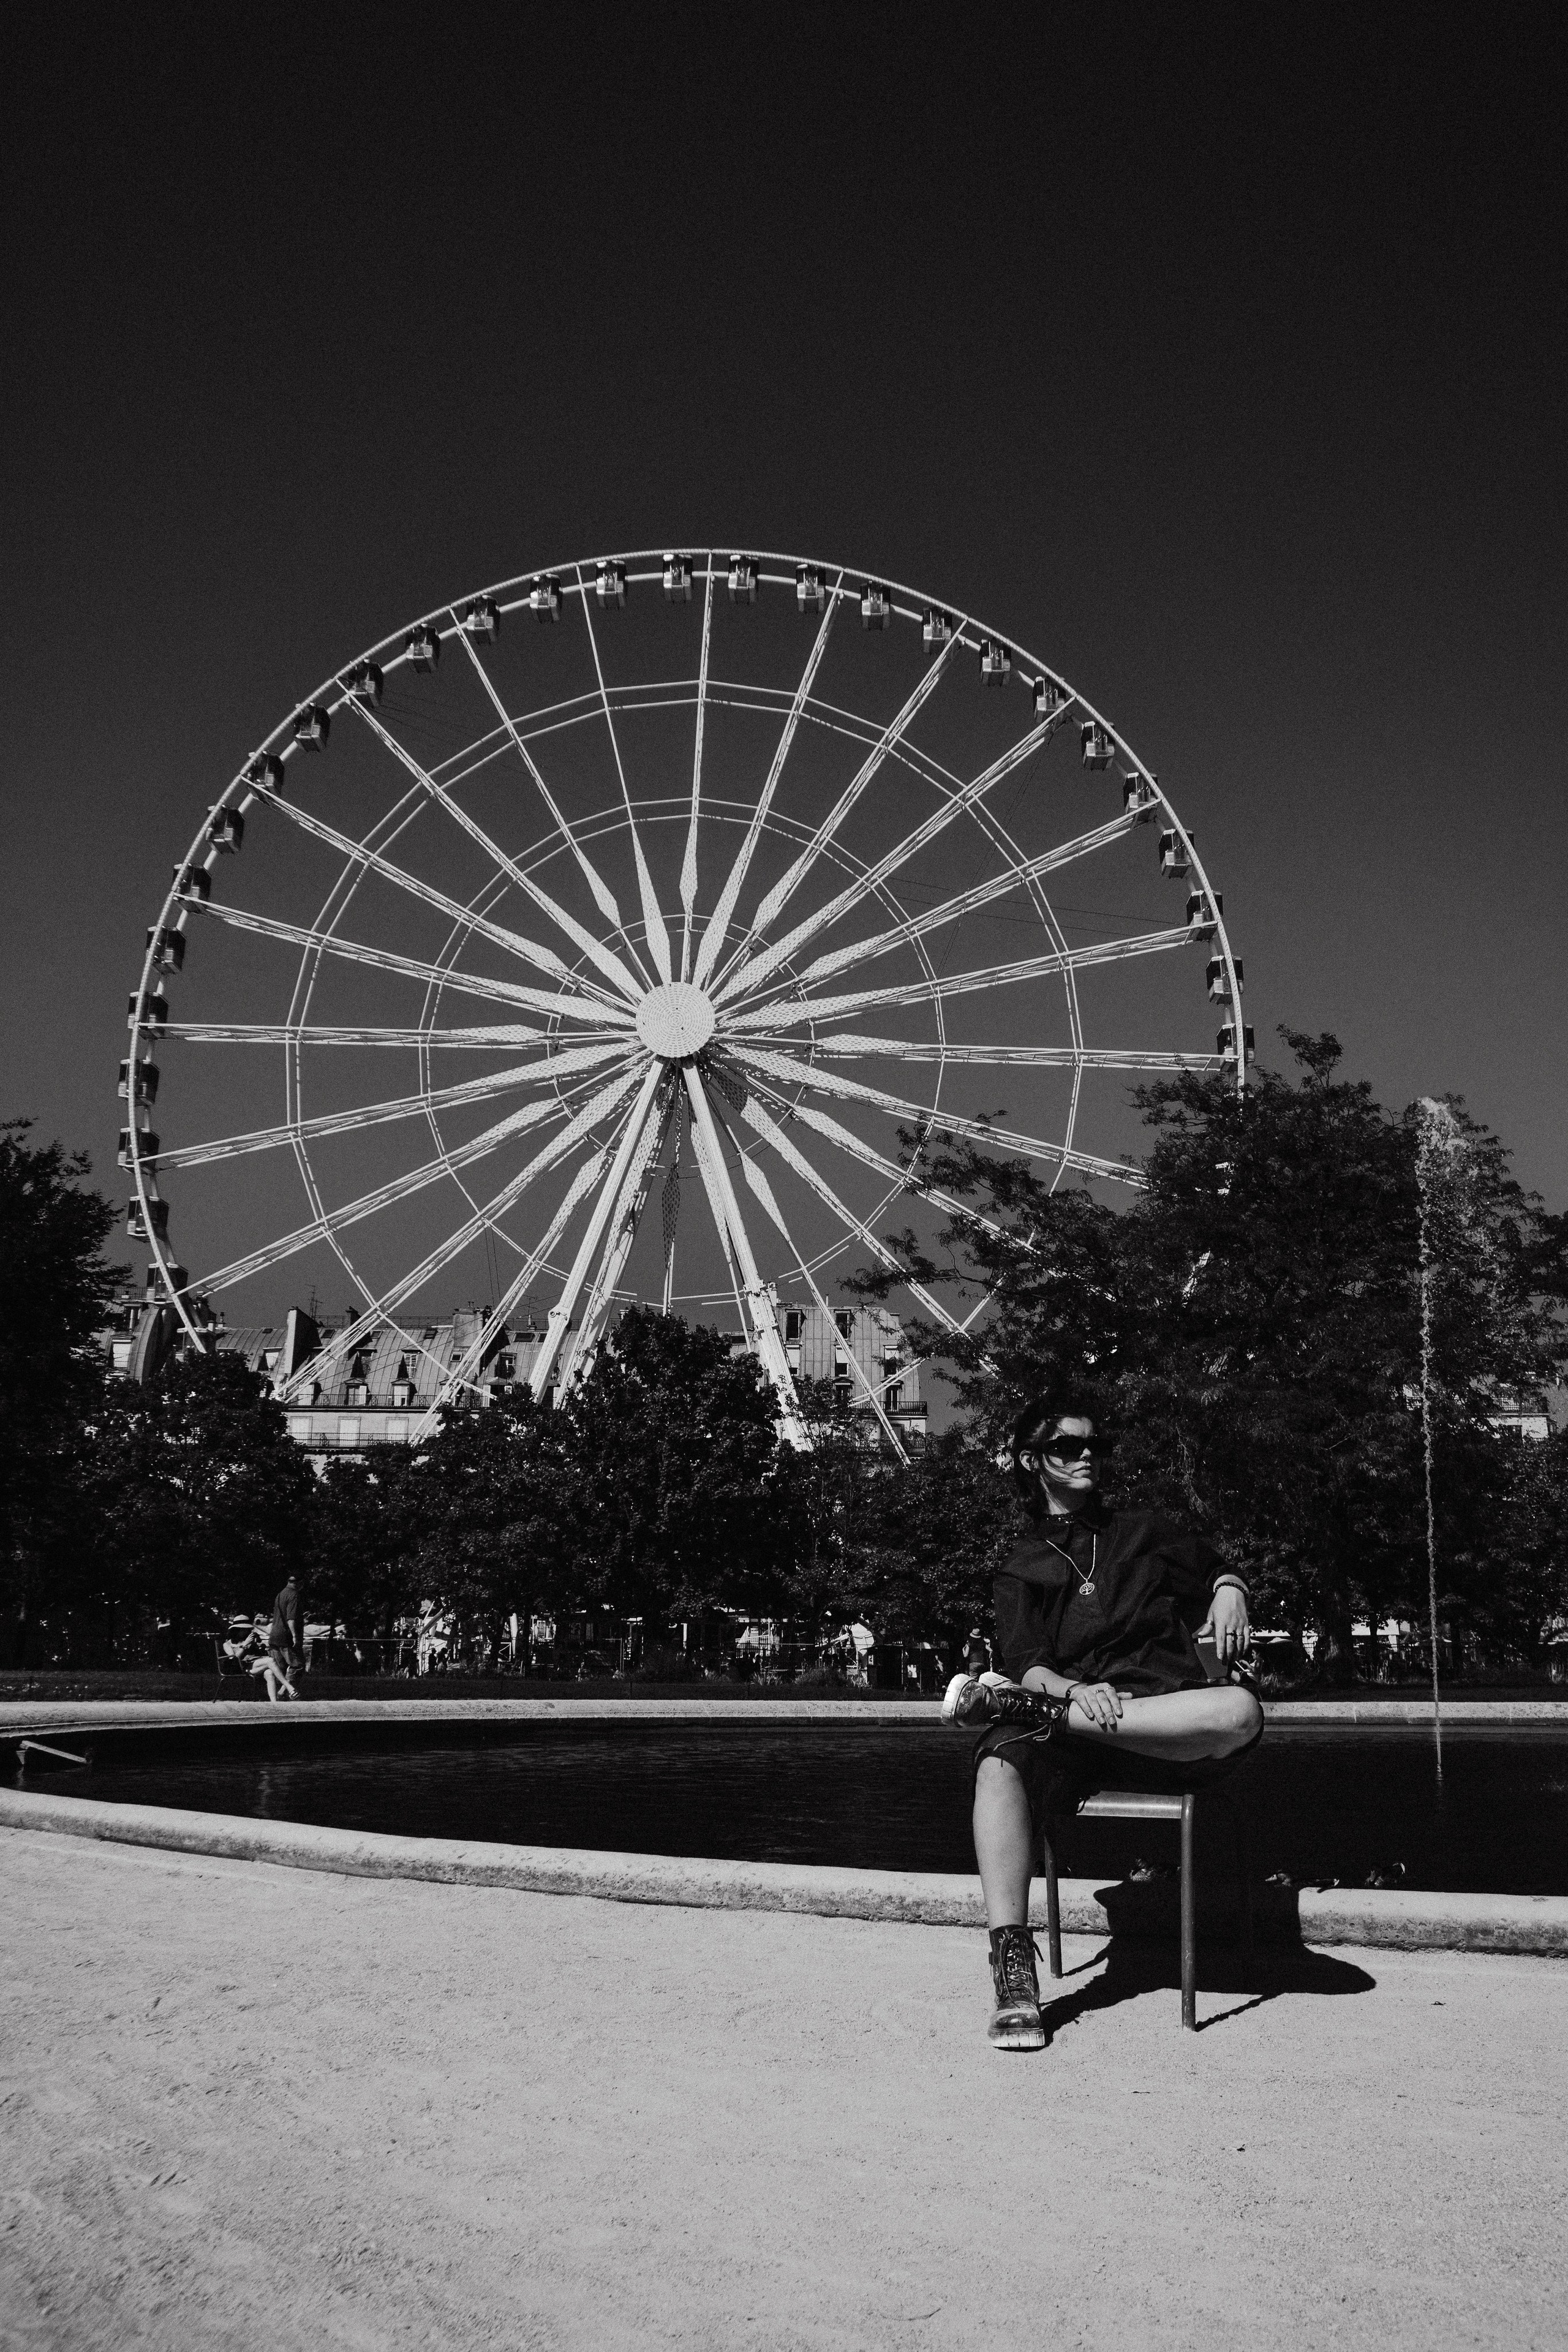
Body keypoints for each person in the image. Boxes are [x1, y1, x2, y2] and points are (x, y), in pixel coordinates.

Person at [944, 1392, 1264, 2051]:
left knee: (1239, 1711)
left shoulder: (1145, 1532)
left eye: (1095, 1445)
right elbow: (1029, 1661)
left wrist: (1231, 1590)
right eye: (1069, 1446)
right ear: (1033, 1461)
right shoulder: (1020, 1566)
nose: (1087, 1455)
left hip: (1166, 1727)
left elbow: (1218, 1568)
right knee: (1000, 1758)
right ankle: (1012, 1972)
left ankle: (1035, 1717)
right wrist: (1071, 1690)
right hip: (1078, 1727)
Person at [267, 1573, 305, 1702]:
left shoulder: (280, 1595)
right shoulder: (294, 1595)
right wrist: (295, 1636)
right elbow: (291, 1618)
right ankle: (284, 1692)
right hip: (285, 1637)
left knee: (280, 1668)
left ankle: (282, 1695)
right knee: (298, 1665)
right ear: (300, 1583)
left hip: (274, 1636)